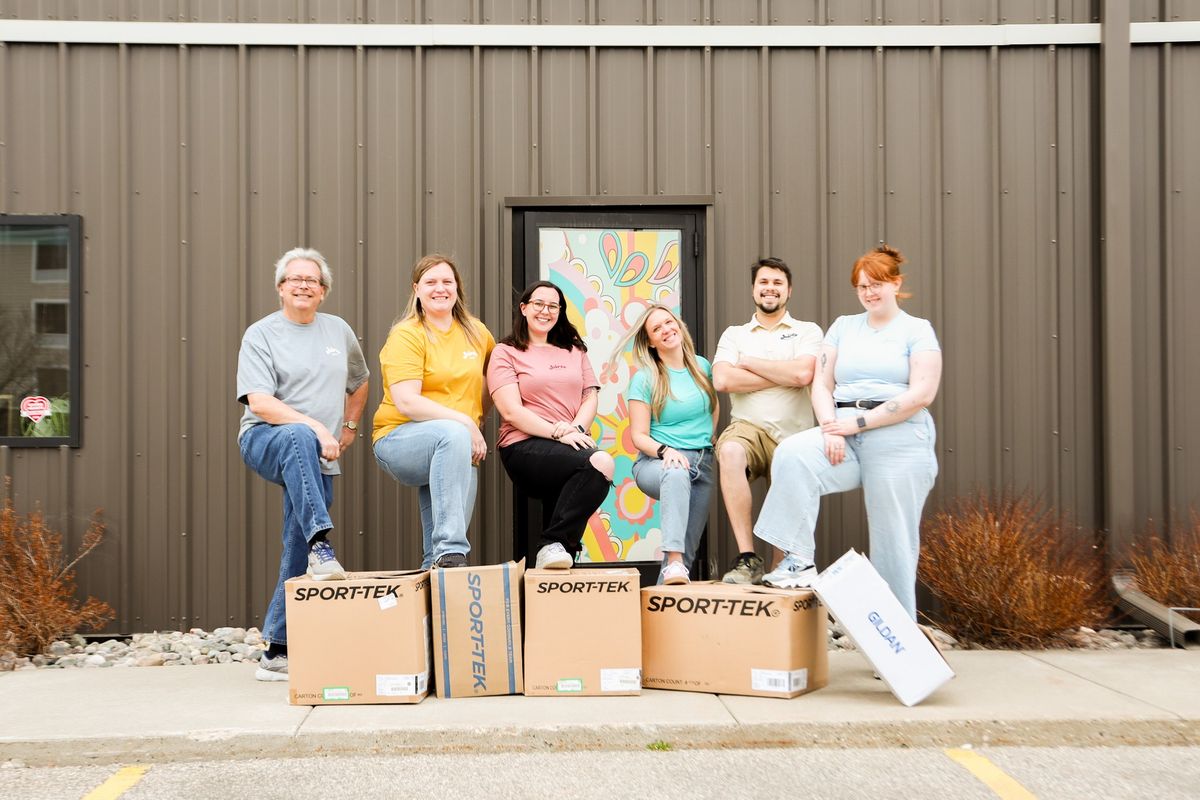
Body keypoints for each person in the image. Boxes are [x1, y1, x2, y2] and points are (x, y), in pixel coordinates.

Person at [753, 245, 941, 618]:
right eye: (861, 286)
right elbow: (822, 384)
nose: (869, 293)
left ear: (896, 284)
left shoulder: (917, 330)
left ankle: (898, 635)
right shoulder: (844, 326)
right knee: (793, 455)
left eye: (877, 285)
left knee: (893, 540)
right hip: (842, 432)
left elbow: (922, 394)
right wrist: (831, 428)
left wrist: (857, 423)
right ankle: (798, 559)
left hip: (899, 438)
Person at [236, 247, 370, 682]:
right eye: (295, 278)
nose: (303, 285)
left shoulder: (338, 331)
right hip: (265, 439)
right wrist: (317, 427)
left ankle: (276, 651)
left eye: (312, 280)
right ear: (280, 288)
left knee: (294, 540)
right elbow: (260, 403)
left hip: (319, 455)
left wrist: (348, 426)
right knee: (297, 434)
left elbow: (360, 381)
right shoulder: (261, 334)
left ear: (323, 291)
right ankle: (322, 543)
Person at [372, 254, 495, 570]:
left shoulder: (477, 333)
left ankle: (436, 589)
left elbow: (492, 383)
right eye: (430, 282)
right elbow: (407, 402)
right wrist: (466, 423)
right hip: (398, 440)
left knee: (440, 558)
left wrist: (475, 418)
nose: (439, 288)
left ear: (457, 288)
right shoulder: (408, 334)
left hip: (454, 445)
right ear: (416, 289)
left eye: (446, 282)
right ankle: (452, 549)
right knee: (453, 436)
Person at [711, 257, 823, 584]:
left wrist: (748, 363)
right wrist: (782, 374)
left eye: (777, 283)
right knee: (729, 451)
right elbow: (723, 381)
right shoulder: (735, 334)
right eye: (763, 282)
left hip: (795, 438)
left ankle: (777, 571)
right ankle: (748, 558)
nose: (769, 288)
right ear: (753, 288)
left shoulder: (807, 331)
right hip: (750, 430)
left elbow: (804, 374)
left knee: (784, 554)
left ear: (789, 291)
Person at [488, 281, 614, 569]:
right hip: (523, 445)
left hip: (572, 441)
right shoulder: (505, 352)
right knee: (599, 462)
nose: (546, 311)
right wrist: (559, 432)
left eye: (553, 306)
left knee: (594, 468)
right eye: (538, 304)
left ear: (560, 311)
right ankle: (554, 544)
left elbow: (589, 394)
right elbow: (511, 410)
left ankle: (560, 556)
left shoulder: (574, 349)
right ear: (524, 308)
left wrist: (577, 430)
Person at [611, 304, 718, 585]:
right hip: (657, 463)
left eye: (668, 323)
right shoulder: (645, 378)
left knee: (687, 553)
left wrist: (710, 435)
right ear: (651, 342)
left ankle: (658, 617)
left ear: (679, 325)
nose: (666, 330)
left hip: (702, 464)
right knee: (677, 556)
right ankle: (672, 559)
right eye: (656, 329)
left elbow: (712, 407)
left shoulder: (701, 366)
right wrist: (666, 451)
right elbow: (639, 436)